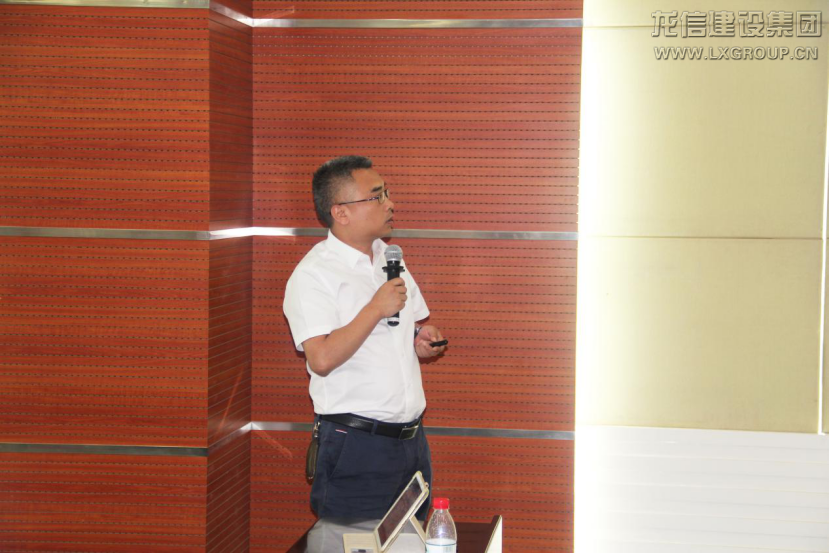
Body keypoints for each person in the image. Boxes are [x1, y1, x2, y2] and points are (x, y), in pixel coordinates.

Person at [283, 155, 447, 521]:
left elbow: (399, 329)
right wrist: (374, 308)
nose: (390, 204)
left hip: (411, 441)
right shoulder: (313, 275)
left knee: (412, 541)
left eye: (387, 193)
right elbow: (321, 358)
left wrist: (419, 338)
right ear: (340, 212)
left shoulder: (389, 258)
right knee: (352, 540)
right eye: (377, 196)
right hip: (356, 445)